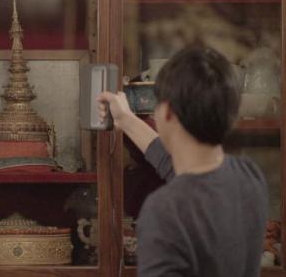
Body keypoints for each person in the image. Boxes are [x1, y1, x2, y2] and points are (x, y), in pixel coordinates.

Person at [97, 47, 268, 277]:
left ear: (166, 113)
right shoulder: (249, 177)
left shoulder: (165, 209)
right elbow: (183, 171)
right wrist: (126, 121)